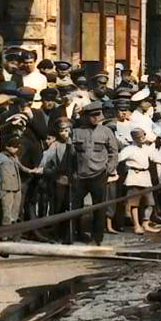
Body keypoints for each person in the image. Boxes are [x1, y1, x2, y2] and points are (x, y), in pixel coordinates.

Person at [70, 102, 119, 244]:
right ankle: (75, 234)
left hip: (99, 174)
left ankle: (97, 237)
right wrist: (72, 172)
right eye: (92, 116)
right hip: (80, 175)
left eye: (98, 115)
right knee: (75, 207)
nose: (95, 118)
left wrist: (108, 169)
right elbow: (71, 154)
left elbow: (113, 152)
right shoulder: (77, 131)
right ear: (85, 117)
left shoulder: (106, 131)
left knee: (99, 207)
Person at [119, 128, 161, 233]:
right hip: (134, 176)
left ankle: (145, 223)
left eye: (144, 135)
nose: (143, 138)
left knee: (150, 203)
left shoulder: (147, 148)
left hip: (146, 177)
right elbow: (118, 158)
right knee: (134, 204)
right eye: (140, 136)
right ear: (134, 138)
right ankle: (136, 225)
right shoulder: (129, 149)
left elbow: (155, 157)